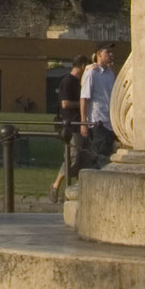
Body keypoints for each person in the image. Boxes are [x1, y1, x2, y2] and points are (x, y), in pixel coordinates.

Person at [80, 45, 118, 169]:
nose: (111, 55)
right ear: (99, 54)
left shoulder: (110, 74)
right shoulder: (92, 73)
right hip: (97, 120)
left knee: (107, 153)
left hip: (109, 121)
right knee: (98, 155)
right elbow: (84, 97)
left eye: (111, 52)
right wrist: (83, 122)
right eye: (108, 52)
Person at [50, 62, 83, 200]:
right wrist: (81, 104)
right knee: (72, 157)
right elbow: (65, 103)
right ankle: (56, 185)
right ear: (81, 66)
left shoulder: (78, 82)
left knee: (80, 157)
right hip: (70, 125)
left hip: (78, 124)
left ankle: (72, 188)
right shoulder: (68, 82)